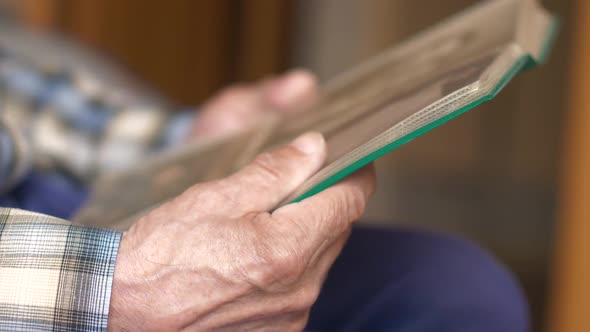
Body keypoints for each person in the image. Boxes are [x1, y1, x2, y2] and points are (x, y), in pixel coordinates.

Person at [0, 57, 528, 330]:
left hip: (30, 192)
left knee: (445, 285)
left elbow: (21, 97)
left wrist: (187, 148)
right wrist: (100, 290)